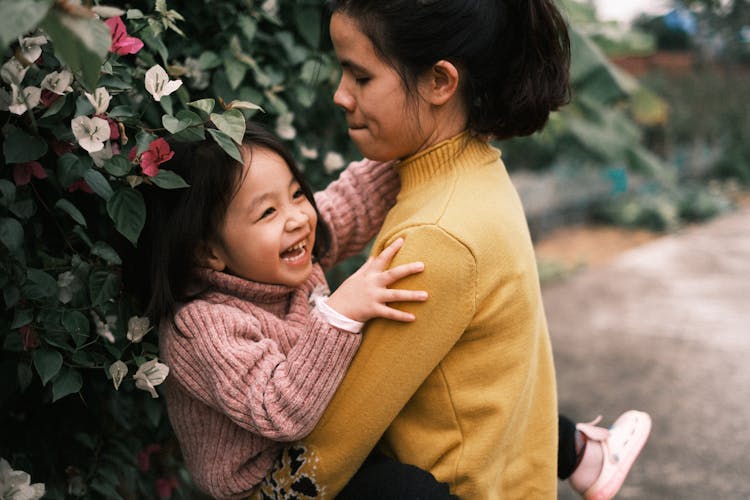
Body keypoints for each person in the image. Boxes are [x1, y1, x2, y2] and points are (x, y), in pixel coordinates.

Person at [256, 1, 650, 499]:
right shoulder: (475, 169)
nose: (340, 95)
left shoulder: (436, 236)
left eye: (361, 77)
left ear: (440, 82)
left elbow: (330, 448)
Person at [137, 122, 449, 499]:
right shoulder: (201, 325)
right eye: (267, 212)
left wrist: (419, 139)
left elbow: (354, 200)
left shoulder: (285, 259)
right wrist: (339, 315)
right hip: (267, 486)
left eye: (297, 193)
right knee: (407, 491)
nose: (298, 218)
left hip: (322, 450)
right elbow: (279, 411)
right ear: (209, 252)